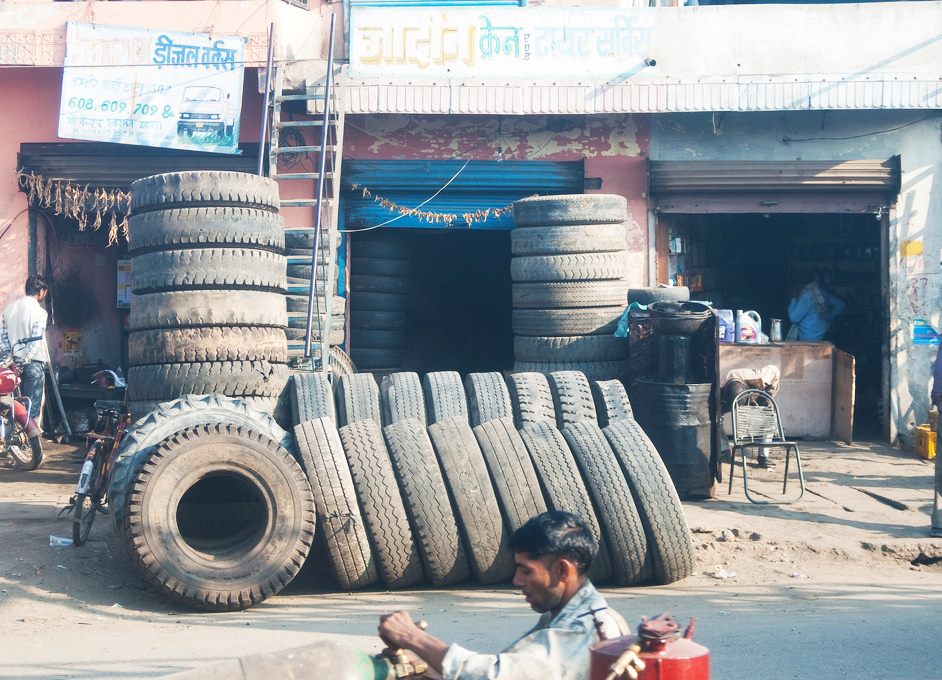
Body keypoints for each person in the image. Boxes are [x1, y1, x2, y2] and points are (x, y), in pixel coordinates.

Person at [378, 511, 628, 680]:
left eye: (526, 571)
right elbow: (515, 666)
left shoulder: (583, 630)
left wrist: (414, 638)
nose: (517, 581)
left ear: (562, 570)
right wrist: (423, 667)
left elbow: (495, 675)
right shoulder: (568, 614)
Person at [0, 276, 50, 421]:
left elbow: (2, 338)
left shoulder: (9, 308)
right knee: (31, 407)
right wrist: (23, 362)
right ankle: (30, 441)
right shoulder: (40, 312)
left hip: (10, 365)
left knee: (11, 405)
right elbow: (36, 342)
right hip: (32, 363)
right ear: (41, 291)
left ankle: (12, 439)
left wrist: (12, 359)